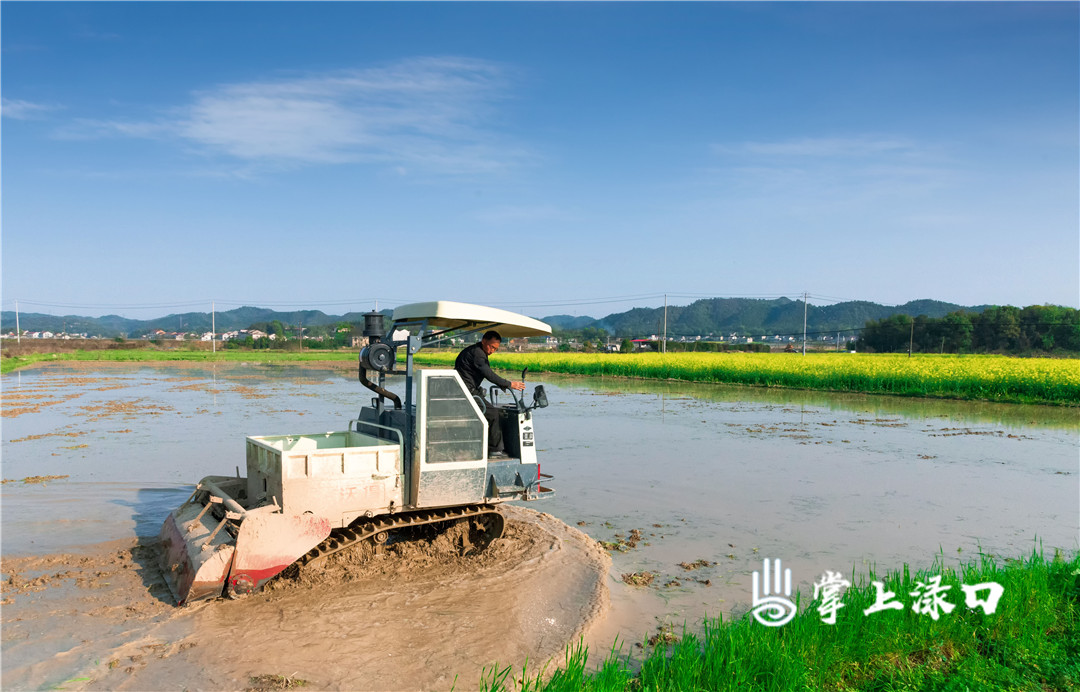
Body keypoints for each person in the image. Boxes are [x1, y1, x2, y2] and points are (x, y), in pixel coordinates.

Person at [454, 330, 525, 455]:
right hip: (466, 391)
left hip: (465, 389)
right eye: (491, 347)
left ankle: (483, 445)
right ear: (484, 341)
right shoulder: (478, 354)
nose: (492, 350)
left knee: (487, 412)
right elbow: (488, 374)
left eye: (495, 349)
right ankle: (494, 450)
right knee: (492, 413)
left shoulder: (476, 350)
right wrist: (509, 384)